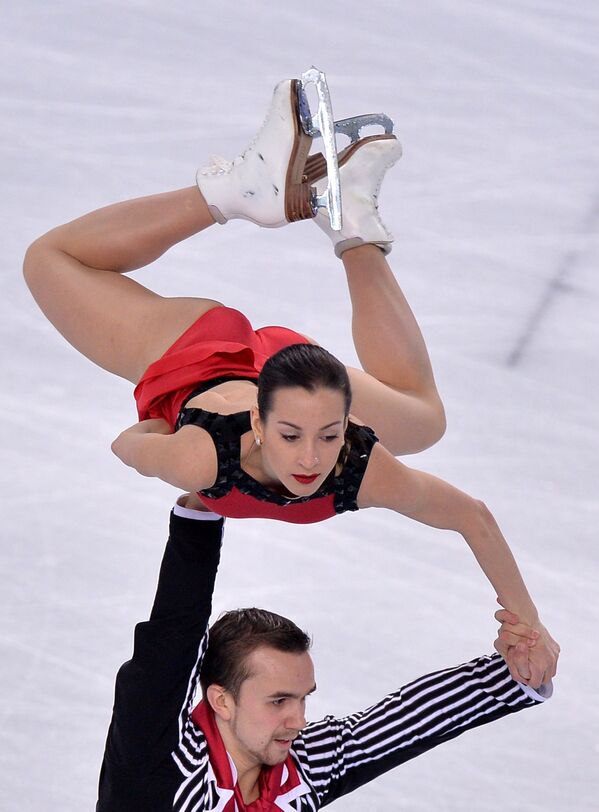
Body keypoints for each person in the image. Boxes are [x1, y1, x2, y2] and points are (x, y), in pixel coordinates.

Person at [23, 74, 559, 680]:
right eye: (292, 438)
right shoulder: (201, 455)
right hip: (199, 349)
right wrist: (156, 429)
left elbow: (472, 517)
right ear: (257, 422)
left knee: (424, 424)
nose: (311, 460)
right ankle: (271, 199)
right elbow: (132, 448)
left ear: (349, 424)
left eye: (330, 436)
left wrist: (529, 623)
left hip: (278, 375)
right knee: (49, 261)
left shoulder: (355, 464)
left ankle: (322, 205)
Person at [97, 495, 552, 812]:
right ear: (221, 700)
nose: (299, 720)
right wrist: (202, 510)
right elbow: (171, 641)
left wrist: (513, 676)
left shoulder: (301, 766)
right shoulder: (158, 756)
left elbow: (406, 721)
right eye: (278, 701)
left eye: (302, 698)